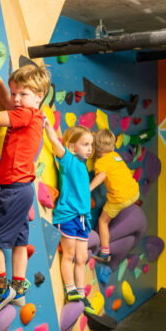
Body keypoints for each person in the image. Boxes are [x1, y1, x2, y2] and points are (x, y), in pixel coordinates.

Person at [0, 64, 50, 318]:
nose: (16, 99)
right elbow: (6, 102)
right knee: (19, 240)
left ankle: (2, 289)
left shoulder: (25, 115)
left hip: (14, 188)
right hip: (23, 188)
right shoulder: (31, 113)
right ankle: (18, 285)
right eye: (15, 93)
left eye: (22, 94)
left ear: (39, 96)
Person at [44, 123, 95, 312]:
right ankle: (70, 289)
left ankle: (81, 294)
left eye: (91, 144)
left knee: (82, 257)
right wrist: (47, 125)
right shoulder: (68, 160)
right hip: (67, 215)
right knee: (70, 254)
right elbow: (54, 141)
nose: (90, 148)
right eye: (85, 144)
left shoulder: (83, 165)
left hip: (83, 218)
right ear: (72, 147)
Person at [89, 127, 139, 263]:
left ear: (96, 150)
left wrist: (89, 188)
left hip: (120, 198)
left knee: (103, 221)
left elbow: (101, 176)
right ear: (112, 147)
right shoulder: (116, 156)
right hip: (134, 192)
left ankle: (105, 252)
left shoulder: (101, 162)